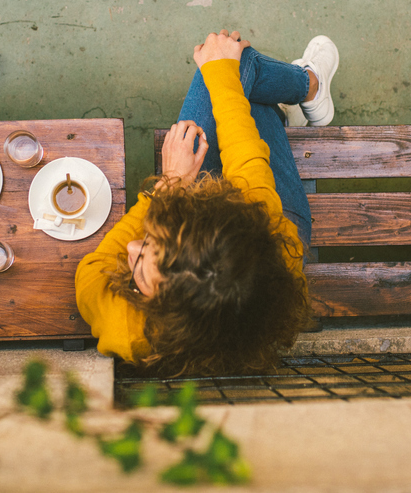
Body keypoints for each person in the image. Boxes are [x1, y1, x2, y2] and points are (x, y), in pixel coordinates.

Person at [75, 30, 339, 376]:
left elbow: (90, 273)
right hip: (278, 224)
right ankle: (310, 87)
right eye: (147, 246)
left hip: (210, 217)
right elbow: (249, 167)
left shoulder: (129, 329)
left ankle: (281, 107)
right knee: (231, 66)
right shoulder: (267, 246)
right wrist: (221, 71)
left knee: (231, 74)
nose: (132, 245)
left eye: (140, 265)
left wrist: (171, 187)